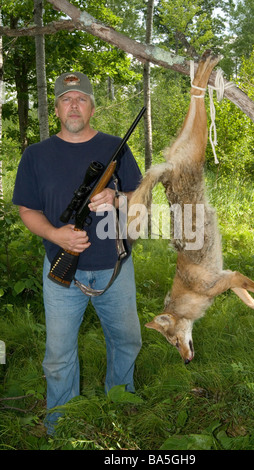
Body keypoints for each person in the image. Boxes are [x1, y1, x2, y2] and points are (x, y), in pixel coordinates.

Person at [12, 72, 142, 434]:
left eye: (81, 99)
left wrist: (117, 198)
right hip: (60, 270)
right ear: (56, 109)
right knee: (58, 356)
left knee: (127, 341)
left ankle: (120, 408)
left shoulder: (117, 147)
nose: (74, 105)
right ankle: (61, 425)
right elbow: (27, 209)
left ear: (92, 108)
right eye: (66, 99)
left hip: (114, 268)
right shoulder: (36, 155)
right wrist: (58, 234)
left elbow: (141, 198)